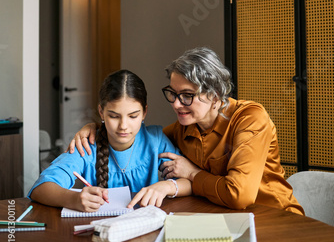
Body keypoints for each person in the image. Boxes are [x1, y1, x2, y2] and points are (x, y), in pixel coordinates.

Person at [69, 47, 304, 215]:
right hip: (220, 218)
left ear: (215, 94)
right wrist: (96, 127)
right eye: (173, 93)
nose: (176, 104)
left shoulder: (250, 119)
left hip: (274, 217)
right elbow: (137, 134)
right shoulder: (184, 127)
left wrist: (192, 174)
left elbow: (239, 195)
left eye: (187, 96)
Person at [29, 70, 191, 212]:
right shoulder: (87, 144)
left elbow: (189, 182)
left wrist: (166, 186)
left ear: (144, 113)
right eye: (114, 116)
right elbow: (40, 188)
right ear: (101, 112)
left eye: (133, 116)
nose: (123, 126)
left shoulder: (155, 140)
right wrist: (72, 199)